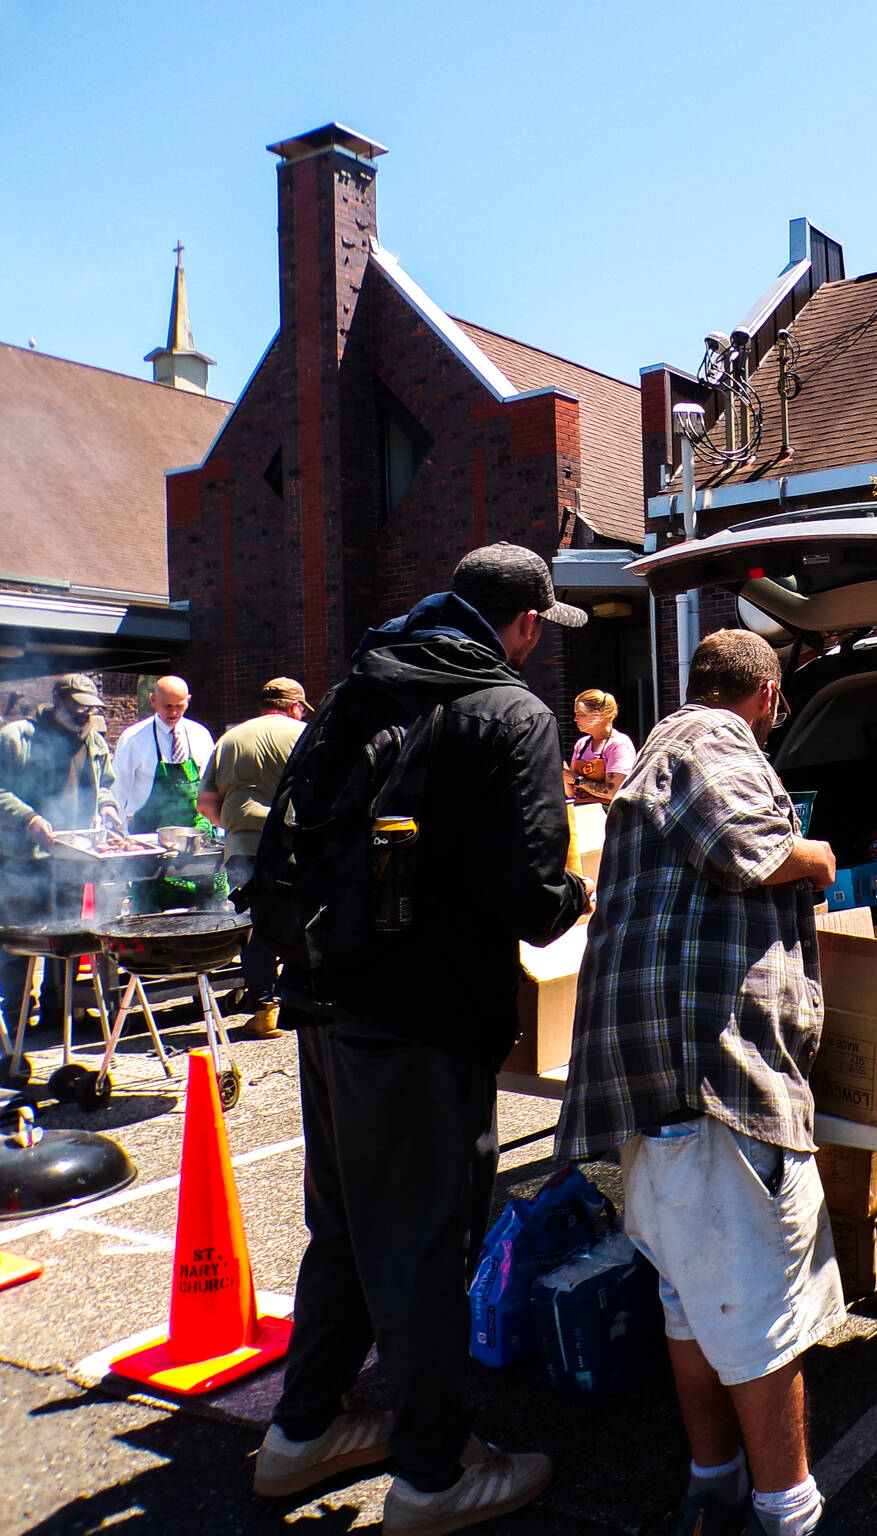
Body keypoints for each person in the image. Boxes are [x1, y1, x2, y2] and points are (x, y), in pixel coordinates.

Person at [252, 544, 591, 1534]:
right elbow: (533, 903)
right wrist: (580, 890)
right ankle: (435, 1476)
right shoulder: (509, 711)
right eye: (540, 632)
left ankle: (303, 1429)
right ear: (524, 625)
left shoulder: (366, 681)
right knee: (424, 1244)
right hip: (424, 1019)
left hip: (326, 996)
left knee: (351, 1227)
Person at [558, 629, 842, 1536]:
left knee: (691, 1305)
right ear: (764, 697)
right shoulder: (711, 739)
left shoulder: (654, 751)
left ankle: (712, 1483)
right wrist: (824, 856)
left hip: (665, 1092)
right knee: (757, 1314)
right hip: (715, 1079)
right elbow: (744, 846)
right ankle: (786, 1514)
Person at [0, 676, 121, 1036]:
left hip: (74, 857)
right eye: (77, 704)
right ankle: (19, 1019)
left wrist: (109, 807)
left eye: (89, 706)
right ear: (57, 699)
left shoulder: (95, 740)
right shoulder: (16, 737)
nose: (84, 712)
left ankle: (61, 1011)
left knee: (67, 937)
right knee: (20, 945)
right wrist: (29, 817)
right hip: (23, 860)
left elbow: (106, 785)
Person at [197, 677, 308, 1040]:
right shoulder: (304, 733)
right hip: (294, 844)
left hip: (243, 846)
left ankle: (264, 1011)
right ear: (295, 706)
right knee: (302, 917)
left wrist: (234, 826)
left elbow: (206, 804)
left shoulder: (228, 739)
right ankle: (304, 999)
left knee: (255, 925)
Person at [111, 675, 220, 909]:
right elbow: (118, 791)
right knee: (150, 914)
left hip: (194, 844)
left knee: (207, 912)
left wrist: (210, 822)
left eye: (179, 705)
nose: (173, 712)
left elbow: (211, 786)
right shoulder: (133, 739)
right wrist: (119, 834)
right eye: (167, 706)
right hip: (149, 845)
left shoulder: (200, 735)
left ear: (188, 701)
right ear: (152, 700)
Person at [563, 688, 637, 805]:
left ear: (597, 715)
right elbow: (572, 792)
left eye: (580, 714)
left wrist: (576, 779)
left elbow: (613, 792)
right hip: (582, 813)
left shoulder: (619, 744)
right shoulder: (581, 744)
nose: (575, 719)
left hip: (608, 817)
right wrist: (563, 772)